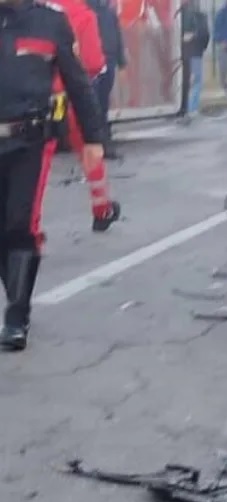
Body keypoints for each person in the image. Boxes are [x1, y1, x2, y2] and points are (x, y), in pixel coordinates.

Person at [0, 0, 105, 351]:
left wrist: (93, 137)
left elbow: (78, 83)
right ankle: (17, 292)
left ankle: (17, 316)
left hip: (29, 142)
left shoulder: (50, 22)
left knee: (19, 224)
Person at [51, 0, 121, 234]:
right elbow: (93, 63)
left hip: (36, 98)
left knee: (33, 160)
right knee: (89, 148)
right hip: (69, 96)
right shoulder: (84, 15)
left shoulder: (36, 11)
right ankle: (101, 209)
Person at [88, 0, 126, 159]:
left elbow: (117, 36)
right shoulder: (88, 11)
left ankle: (103, 141)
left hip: (108, 60)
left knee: (102, 103)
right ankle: (99, 141)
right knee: (95, 104)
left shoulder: (109, 12)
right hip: (94, 61)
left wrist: (121, 62)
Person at [180, 0, 211, 119]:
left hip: (182, 52)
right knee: (196, 81)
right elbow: (206, 35)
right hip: (196, 52)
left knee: (186, 80)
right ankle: (192, 107)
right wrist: (202, 47)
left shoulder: (179, 14)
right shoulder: (201, 16)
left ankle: (185, 107)